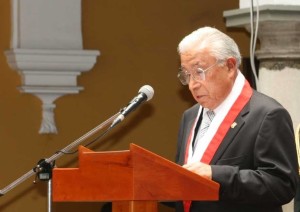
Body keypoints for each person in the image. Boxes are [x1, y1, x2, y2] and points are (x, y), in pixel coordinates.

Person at [175, 26, 298, 212]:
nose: (192, 85)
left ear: (230, 66)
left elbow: (282, 185)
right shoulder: (190, 116)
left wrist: (215, 174)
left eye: (199, 71)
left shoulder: (268, 114)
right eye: (187, 74)